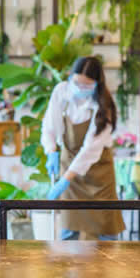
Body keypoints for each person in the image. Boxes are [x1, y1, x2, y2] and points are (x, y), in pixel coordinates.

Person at [41, 56, 125, 241]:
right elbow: (49, 126)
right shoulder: (61, 91)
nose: (80, 88)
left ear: (97, 84)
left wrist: (65, 179)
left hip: (98, 170)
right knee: (70, 225)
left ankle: (108, 266)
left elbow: (90, 149)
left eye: (87, 85)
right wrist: (51, 151)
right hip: (69, 161)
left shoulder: (103, 105)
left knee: (106, 226)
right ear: (70, 76)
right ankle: (67, 266)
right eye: (77, 82)